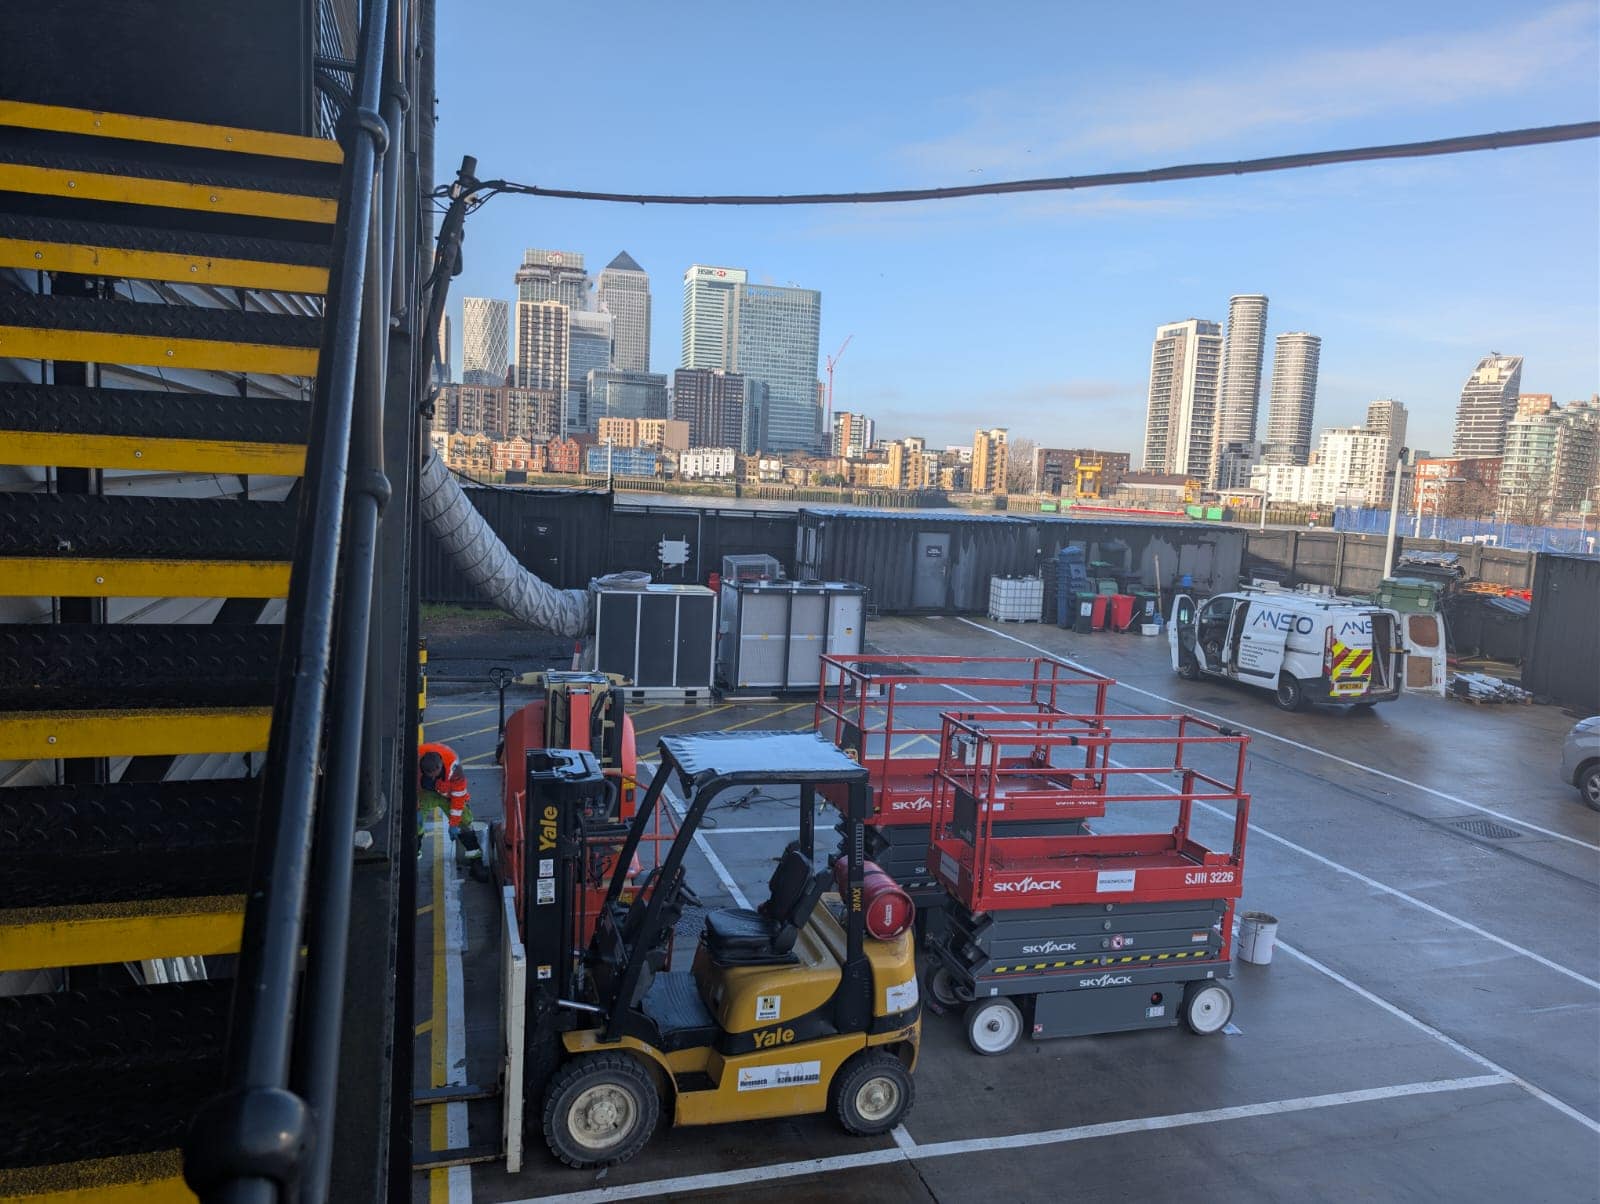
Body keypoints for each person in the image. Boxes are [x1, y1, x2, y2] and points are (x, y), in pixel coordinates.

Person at [418, 742, 483, 872]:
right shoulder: (413, 764)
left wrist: (454, 824)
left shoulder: (456, 771)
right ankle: (414, 852)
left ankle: (476, 859)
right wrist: (416, 808)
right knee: (413, 823)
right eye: (429, 776)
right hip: (425, 793)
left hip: (448, 793)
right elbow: (411, 789)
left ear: (440, 766)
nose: (433, 777)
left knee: (464, 820)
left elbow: (458, 798)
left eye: (435, 775)